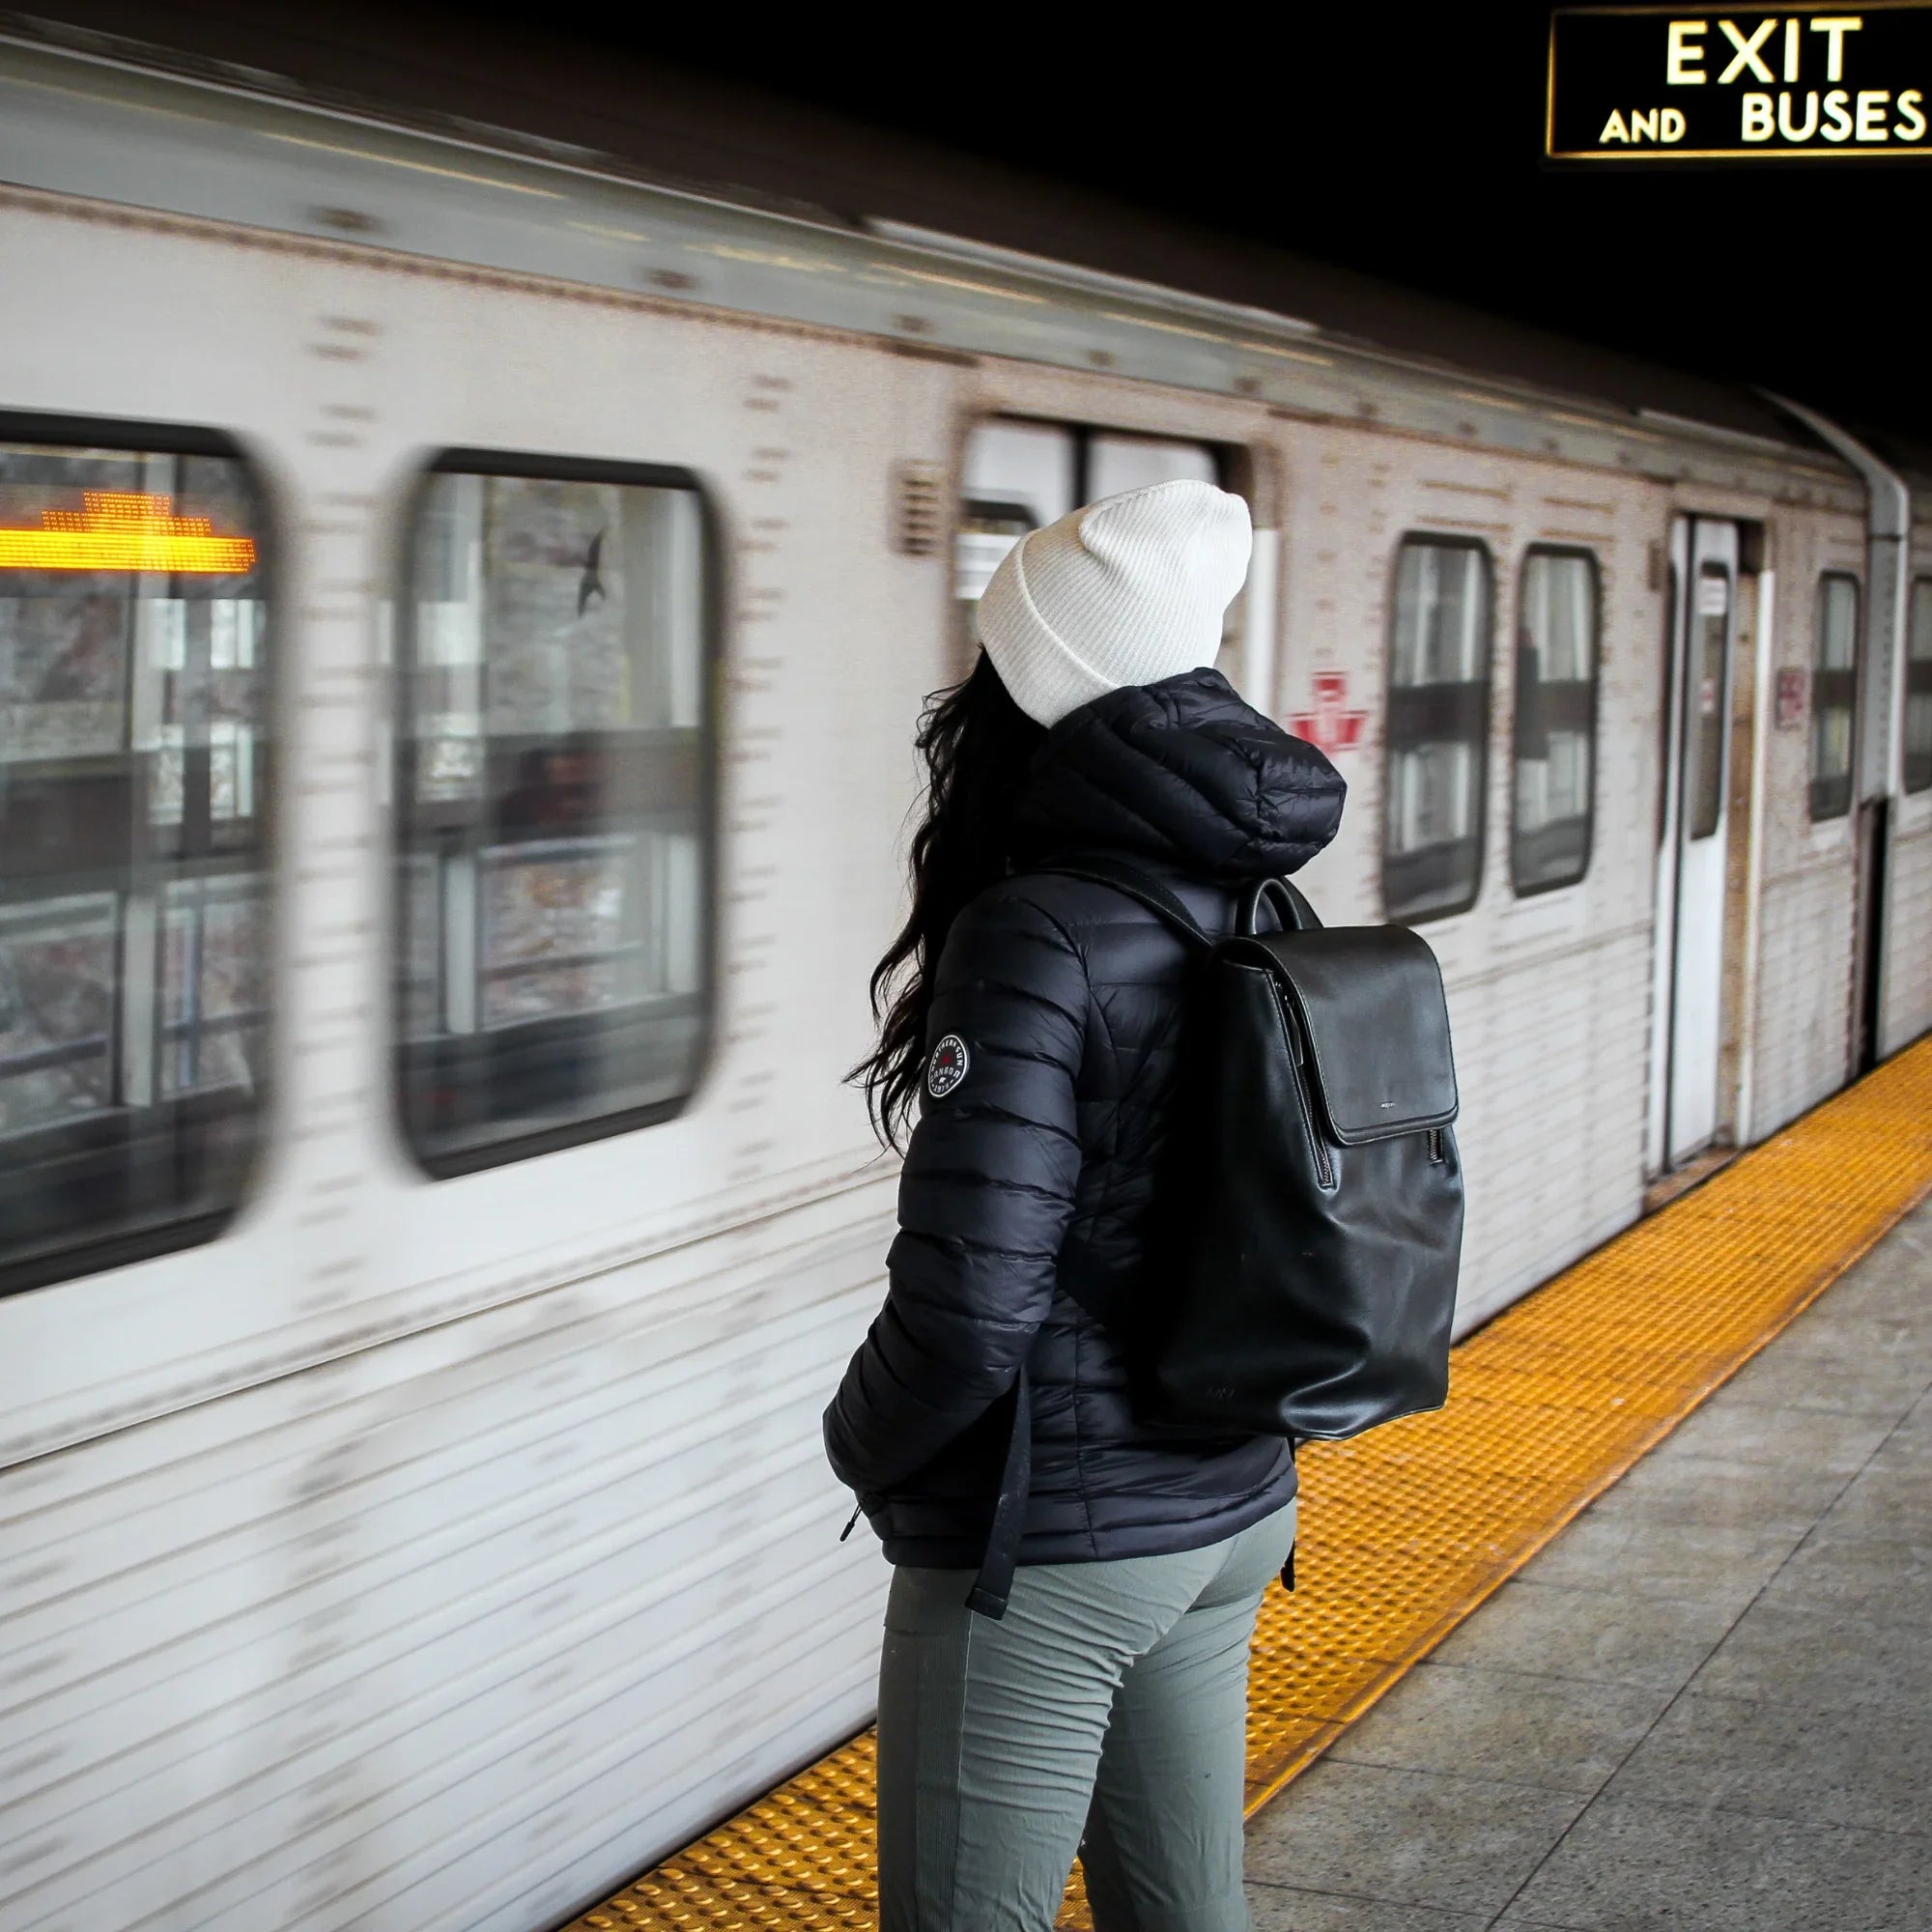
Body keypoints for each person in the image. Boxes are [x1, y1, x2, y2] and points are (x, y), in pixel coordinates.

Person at [824, 478, 1347, 1931]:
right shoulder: (1255, 892)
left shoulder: (1034, 929)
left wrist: (859, 1446)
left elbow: (974, 1298)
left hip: (1055, 1538)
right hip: (1231, 1502)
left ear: (1032, 683)